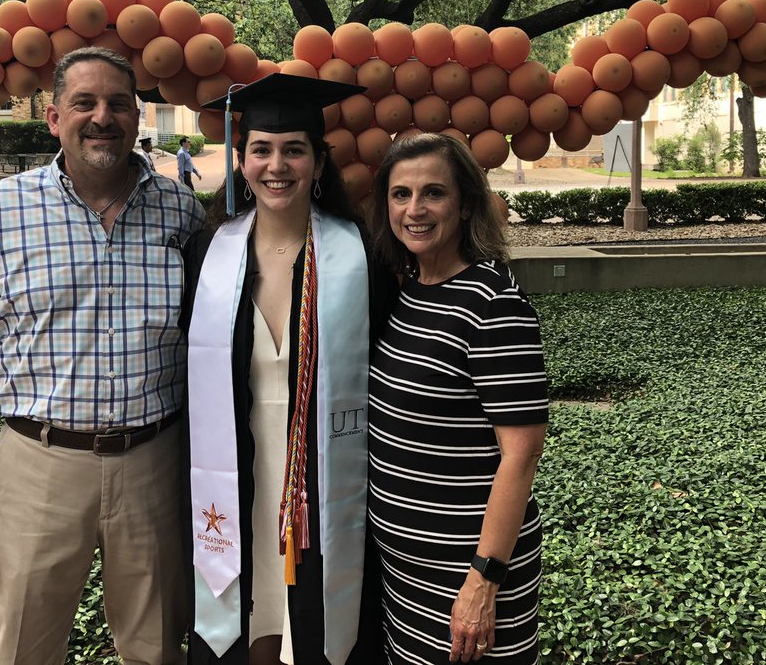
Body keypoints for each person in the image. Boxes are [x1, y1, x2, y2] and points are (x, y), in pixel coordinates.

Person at [0, 47, 205, 664]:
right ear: (53, 118)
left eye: (119, 104)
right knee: (20, 647)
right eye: (85, 103)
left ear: (138, 116)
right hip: (37, 466)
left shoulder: (182, 213)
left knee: (155, 647)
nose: (103, 117)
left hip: (154, 464)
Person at [181, 74, 397, 665]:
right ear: (242, 160)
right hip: (232, 471)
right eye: (262, 149)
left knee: (316, 627)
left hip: (328, 474)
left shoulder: (361, 256)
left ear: (318, 162)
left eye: (295, 149)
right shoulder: (206, 254)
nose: (278, 165)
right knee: (248, 619)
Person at [368, 133, 548, 664]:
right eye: (400, 194)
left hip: (467, 572)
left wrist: (483, 579)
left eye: (433, 193)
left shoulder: (494, 303)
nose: (414, 210)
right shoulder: (403, 292)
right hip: (404, 569)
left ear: (466, 202)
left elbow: (521, 453)